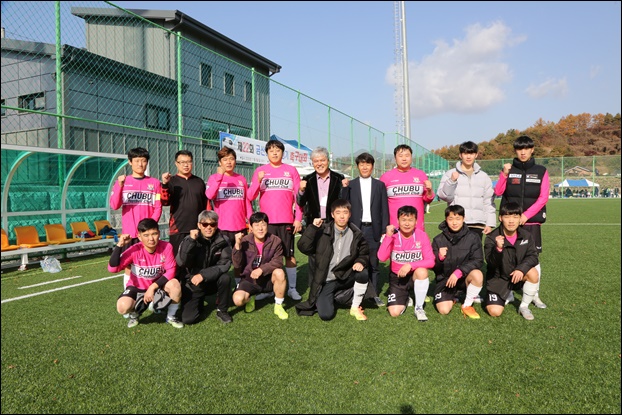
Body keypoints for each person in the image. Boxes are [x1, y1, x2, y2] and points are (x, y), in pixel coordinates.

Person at [494, 135, 549, 309]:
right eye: (519, 149)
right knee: (507, 256)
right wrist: (504, 174)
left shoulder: (541, 171)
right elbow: (498, 191)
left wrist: (525, 216)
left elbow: (543, 197)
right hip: (510, 222)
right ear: (515, 151)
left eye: (526, 149)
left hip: (531, 222)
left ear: (532, 150)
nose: (523, 152)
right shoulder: (509, 170)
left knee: (533, 258)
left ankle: (534, 295)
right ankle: (508, 292)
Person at [295, 199, 371, 321]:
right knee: (326, 315)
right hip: (328, 280)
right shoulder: (322, 231)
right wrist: (312, 228)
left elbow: (364, 252)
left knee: (363, 273)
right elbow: (303, 247)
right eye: (338, 212)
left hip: (345, 275)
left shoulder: (356, 233)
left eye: (345, 212)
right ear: (332, 214)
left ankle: (354, 307)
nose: (342, 216)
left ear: (350, 214)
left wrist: (360, 261)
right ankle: (335, 296)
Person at [247, 139, 303, 301]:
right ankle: (268, 289)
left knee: (289, 255)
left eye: (277, 150)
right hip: (266, 224)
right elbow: (250, 196)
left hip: (286, 221)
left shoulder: (291, 171)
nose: (275, 153)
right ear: (267, 153)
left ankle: (292, 289)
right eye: (271, 150)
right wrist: (258, 181)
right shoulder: (260, 171)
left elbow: (299, 198)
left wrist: (298, 218)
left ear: (282, 152)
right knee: (266, 257)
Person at [109, 218, 183, 329]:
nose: (151, 239)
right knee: (122, 307)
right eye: (146, 235)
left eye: (154, 234)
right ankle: (134, 314)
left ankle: (171, 316)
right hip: (137, 288)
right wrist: (119, 245)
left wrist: (152, 287)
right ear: (139, 237)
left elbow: (171, 270)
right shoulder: (135, 250)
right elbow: (113, 268)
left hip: (157, 287)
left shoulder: (166, 247)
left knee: (175, 285)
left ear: (159, 233)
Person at [340, 152, 389, 307]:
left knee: (374, 263)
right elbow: (343, 204)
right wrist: (344, 188)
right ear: (357, 166)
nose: (365, 167)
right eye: (362, 164)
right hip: (355, 229)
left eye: (368, 164)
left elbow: (384, 209)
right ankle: (355, 293)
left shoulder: (379, 185)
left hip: (373, 229)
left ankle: (374, 295)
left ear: (372, 166)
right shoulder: (351, 184)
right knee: (354, 261)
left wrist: (384, 230)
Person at [109, 147, 162, 287]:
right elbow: (114, 205)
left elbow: (158, 207)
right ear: (130, 162)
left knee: (151, 263)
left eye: (143, 161)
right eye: (137, 160)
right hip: (130, 234)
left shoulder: (155, 183)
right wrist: (120, 185)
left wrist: (149, 228)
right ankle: (129, 293)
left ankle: (151, 292)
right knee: (128, 265)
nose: (140, 164)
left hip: (147, 234)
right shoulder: (122, 182)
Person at [297, 146, 345, 296]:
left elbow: (344, 202)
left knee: (334, 256)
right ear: (312, 163)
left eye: (322, 160)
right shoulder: (307, 179)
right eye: (316, 161)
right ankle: (314, 292)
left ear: (328, 161)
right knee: (314, 259)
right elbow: (300, 202)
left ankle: (332, 291)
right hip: (315, 224)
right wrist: (301, 191)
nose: (319, 163)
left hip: (333, 224)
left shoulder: (339, 179)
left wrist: (345, 188)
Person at [484, 202, 540, 320]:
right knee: (494, 312)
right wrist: (498, 249)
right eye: (507, 216)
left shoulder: (526, 235)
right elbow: (491, 263)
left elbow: (533, 256)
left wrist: (521, 269)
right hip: (498, 279)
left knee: (533, 273)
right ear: (500, 218)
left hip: (517, 275)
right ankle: (506, 295)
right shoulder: (491, 237)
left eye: (515, 217)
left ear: (520, 218)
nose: (511, 221)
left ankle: (524, 306)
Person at [377, 205, 435, 321]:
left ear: (416, 221)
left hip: (414, 275)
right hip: (397, 278)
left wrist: (410, 265)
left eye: (410, 220)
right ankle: (406, 297)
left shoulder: (422, 235)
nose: (407, 224)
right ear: (398, 221)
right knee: (394, 312)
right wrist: (388, 237)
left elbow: (431, 261)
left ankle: (419, 308)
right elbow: (381, 257)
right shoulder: (392, 235)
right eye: (403, 220)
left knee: (422, 271)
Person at [176, 210, 233, 324]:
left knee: (225, 278)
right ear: (199, 225)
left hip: (212, 279)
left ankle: (222, 310)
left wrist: (203, 275)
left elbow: (225, 264)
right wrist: (191, 242)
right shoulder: (189, 239)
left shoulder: (224, 240)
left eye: (212, 224)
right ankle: (198, 300)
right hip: (193, 282)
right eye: (205, 224)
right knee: (188, 319)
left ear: (216, 225)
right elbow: (181, 262)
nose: (209, 227)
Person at [205, 147, 252, 285]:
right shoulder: (213, 178)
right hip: (221, 228)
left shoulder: (241, 179)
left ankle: (239, 285)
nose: (229, 162)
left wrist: (250, 221)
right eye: (225, 159)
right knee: (221, 260)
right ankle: (220, 286)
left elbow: (246, 202)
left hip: (240, 227)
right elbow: (209, 195)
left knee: (240, 259)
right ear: (220, 162)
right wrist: (219, 177)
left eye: (231, 159)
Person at [231, 212, 289, 320]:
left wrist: (262, 269)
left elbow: (278, 262)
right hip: (249, 279)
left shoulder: (275, 241)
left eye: (263, 224)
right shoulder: (245, 241)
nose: (260, 228)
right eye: (256, 225)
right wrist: (237, 245)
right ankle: (250, 297)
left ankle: (278, 306)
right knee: (238, 300)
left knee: (280, 273)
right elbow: (237, 264)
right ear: (251, 227)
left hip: (267, 278)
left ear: (267, 225)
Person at [431, 205, 484, 319]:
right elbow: (433, 267)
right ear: (446, 219)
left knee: (477, 274)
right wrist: (439, 258)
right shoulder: (438, 240)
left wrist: (459, 272)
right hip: (446, 281)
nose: (454, 222)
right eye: (451, 219)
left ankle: (467, 305)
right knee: (444, 310)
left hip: (464, 279)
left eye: (458, 219)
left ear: (463, 218)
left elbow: (478, 260)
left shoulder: (473, 237)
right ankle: (452, 297)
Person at [436, 141, 496, 239]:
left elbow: (488, 201)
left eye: (471, 153)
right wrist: (451, 181)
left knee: (475, 249)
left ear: (476, 155)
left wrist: (490, 223)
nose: (468, 157)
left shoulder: (484, 176)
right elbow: (444, 196)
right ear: (460, 155)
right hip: (457, 223)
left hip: (477, 224)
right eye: (465, 153)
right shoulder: (450, 174)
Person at [161, 149, 208, 255]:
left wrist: (206, 223)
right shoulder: (171, 181)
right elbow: (164, 202)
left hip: (198, 227)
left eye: (189, 162)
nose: (186, 165)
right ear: (176, 163)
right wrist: (164, 184)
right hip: (178, 228)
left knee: (198, 259)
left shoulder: (199, 182)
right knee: (179, 258)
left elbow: (206, 204)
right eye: (182, 162)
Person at [379, 144, 435, 231]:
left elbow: (428, 199)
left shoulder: (421, 175)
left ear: (411, 157)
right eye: (400, 156)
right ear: (395, 158)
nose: (404, 159)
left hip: (417, 227)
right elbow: (380, 203)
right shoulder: (386, 177)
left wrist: (430, 190)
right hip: (394, 228)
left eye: (407, 155)